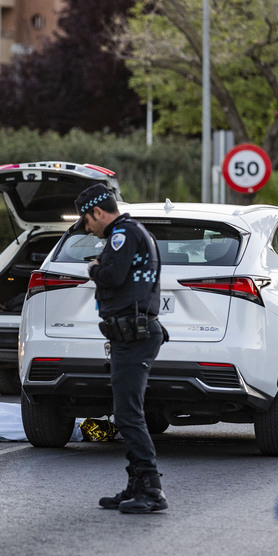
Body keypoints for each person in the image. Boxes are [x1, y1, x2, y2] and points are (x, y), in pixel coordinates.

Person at [75, 183, 169, 514]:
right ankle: (137, 484)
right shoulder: (131, 232)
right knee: (126, 412)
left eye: (87, 221)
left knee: (129, 414)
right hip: (131, 334)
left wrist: (93, 268)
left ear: (98, 212)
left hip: (134, 335)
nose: (88, 228)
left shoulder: (122, 234)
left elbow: (113, 275)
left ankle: (151, 490)